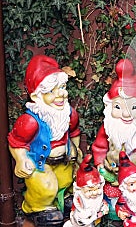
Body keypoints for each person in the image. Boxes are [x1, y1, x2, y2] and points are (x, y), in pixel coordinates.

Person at [8, 54, 81, 226]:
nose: (60, 95)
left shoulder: (69, 114)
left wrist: (76, 150)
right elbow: (16, 142)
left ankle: (62, 201)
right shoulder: (30, 121)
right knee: (46, 187)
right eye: (51, 91)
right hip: (40, 163)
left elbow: (74, 132)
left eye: (62, 87)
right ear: (36, 96)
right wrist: (21, 158)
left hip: (63, 161)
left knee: (66, 181)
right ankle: (37, 207)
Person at [91, 58, 136, 219]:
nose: (126, 114)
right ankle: (117, 212)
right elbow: (99, 147)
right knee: (115, 193)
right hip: (115, 173)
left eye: (133, 108)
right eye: (118, 107)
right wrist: (100, 164)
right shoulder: (109, 128)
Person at [64, 154, 109, 227]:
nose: (94, 193)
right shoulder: (79, 199)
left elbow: (102, 202)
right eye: (89, 191)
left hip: (96, 220)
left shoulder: (98, 198)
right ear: (80, 189)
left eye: (97, 189)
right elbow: (75, 208)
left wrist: (104, 207)